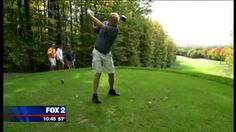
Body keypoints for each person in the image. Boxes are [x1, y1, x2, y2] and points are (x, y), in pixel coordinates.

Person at [87, 9, 120, 104]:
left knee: (111, 73)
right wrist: (90, 20)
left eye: (117, 22)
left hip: (107, 54)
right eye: (114, 21)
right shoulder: (106, 23)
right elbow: (93, 30)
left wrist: (91, 16)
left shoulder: (115, 30)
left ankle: (111, 89)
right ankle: (94, 95)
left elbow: (101, 26)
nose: (116, 23)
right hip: (97, 52)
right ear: (109, 20)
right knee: (98, 72)